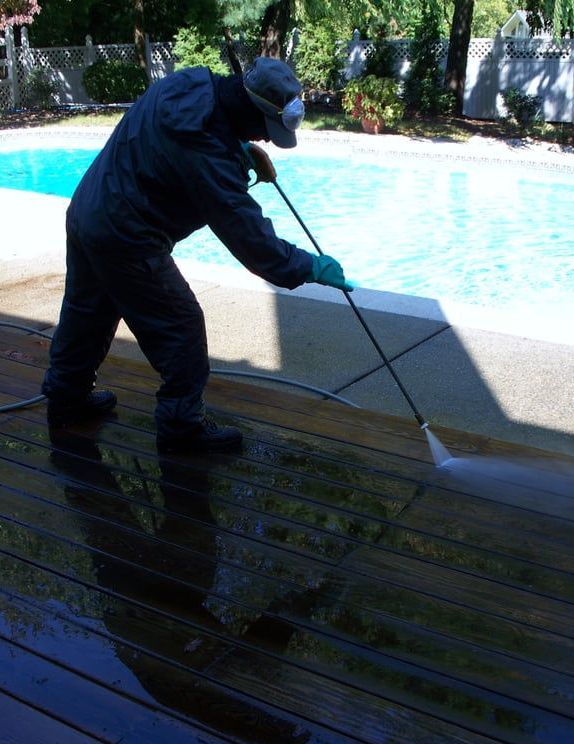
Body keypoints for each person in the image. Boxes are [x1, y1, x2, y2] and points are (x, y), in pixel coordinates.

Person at [41, 57, 352, 453]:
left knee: (88, 311)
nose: (268, 139)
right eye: (265, 129)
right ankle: (181, 428)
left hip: (89, 209)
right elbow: (248, 237)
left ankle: (66, 400)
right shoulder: (207, 151)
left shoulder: (189, 83)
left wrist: (239, 145)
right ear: (248, 108)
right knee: (181, 326)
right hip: (126, 235)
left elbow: (194, 133)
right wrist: (309, 266)